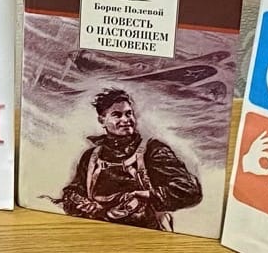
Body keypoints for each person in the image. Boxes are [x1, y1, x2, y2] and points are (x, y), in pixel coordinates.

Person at [56, 89, 202, 230]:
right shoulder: (90, 157)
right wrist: (83, 205)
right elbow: (70, 193)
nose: (125, 120)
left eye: (129, 113)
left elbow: (191, 190)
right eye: (117, 115)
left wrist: (149, 195)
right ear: (102, 120)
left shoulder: (153, 150)